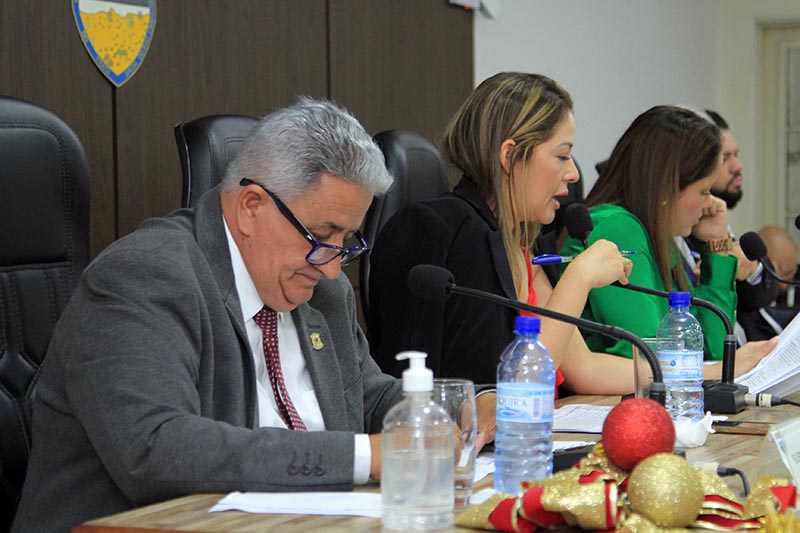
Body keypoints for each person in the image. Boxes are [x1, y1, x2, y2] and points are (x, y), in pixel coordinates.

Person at [11, 98, 494, 533]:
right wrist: (367, 456)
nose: (332, 268)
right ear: (251, 207)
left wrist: (465, 410)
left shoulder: (321, 293)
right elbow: (156, 449)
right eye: (321, 235)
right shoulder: (145, 276)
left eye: (346, 242)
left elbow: (369, 396)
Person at [368, 72, 643, 396]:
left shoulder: (521, 244)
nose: (573, 173)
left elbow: (585, 369)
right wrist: (579, 277)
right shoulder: (447, 232)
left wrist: (681, 368)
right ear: (510, 156)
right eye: (561, 156)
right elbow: (515, 388)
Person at [561, 105, 776, 372]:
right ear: (667, 190)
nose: (710, 204)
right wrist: (718, 370)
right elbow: (646, 360)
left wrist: (716, 245)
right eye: (704, 191)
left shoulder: (657, 235)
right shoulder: (617, 229)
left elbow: (713, 350)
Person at [676, 109, 775, 344]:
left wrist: (747, 268)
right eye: (725, 157)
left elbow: (762, 294)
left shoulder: (714, 215)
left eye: (736, 155)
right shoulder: (673, 225)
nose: (738, 166)